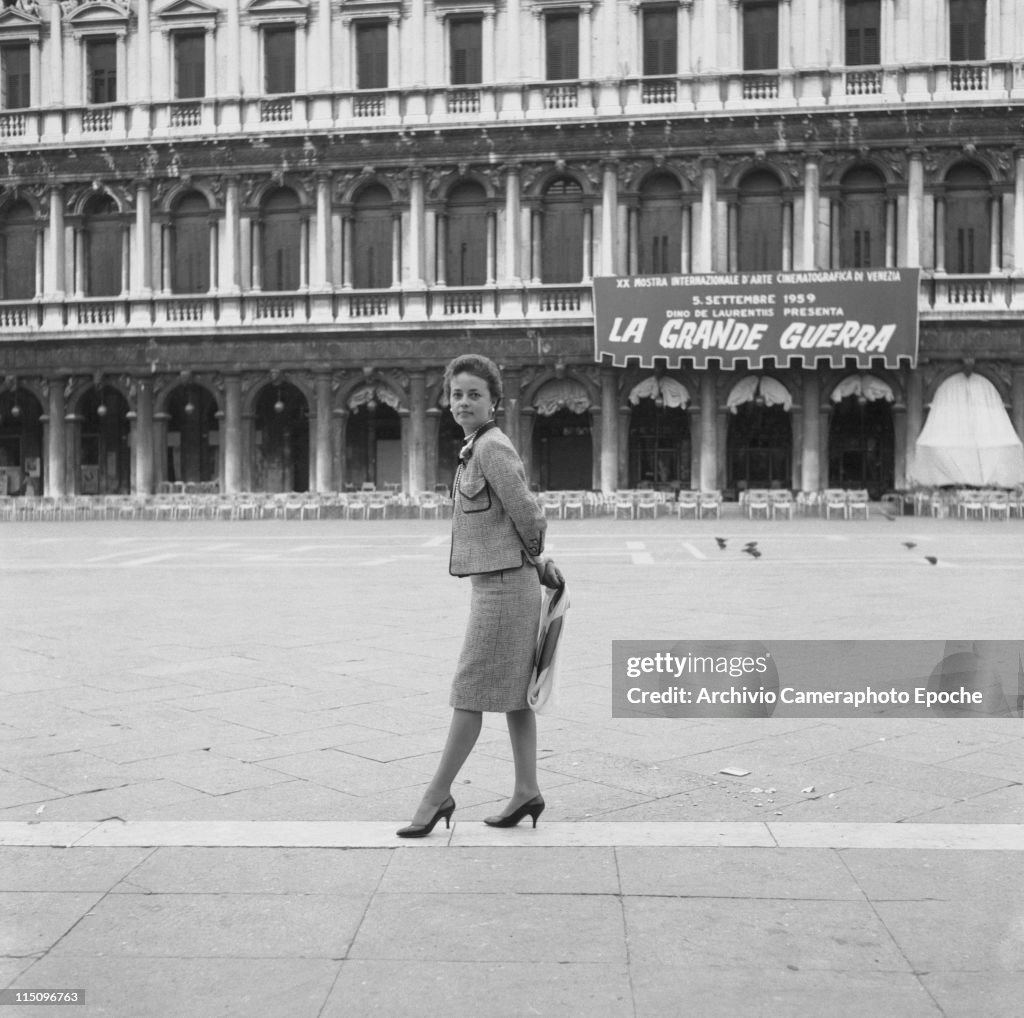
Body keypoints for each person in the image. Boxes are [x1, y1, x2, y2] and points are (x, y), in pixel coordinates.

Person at [397, 353, 564, 838]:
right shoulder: (476, 446)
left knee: (468, 692)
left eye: (474, 394)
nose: (463, 402)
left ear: (495, 400)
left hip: (505, 587)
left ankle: (437, 795)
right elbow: (512, 519)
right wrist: (538, 563)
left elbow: (529, 513)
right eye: (456, 394)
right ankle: (527, 790)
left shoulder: (492, 448)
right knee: (515, 696)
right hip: (500, 580)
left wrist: (535, 558)